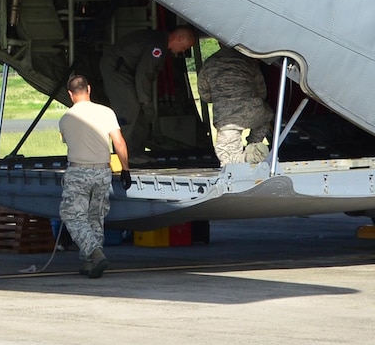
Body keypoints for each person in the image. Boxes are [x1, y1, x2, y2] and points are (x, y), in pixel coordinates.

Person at [58, 74, 131, 278]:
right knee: (95, 217)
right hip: (102, 171)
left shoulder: (66, 118)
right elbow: (119, 142)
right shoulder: (106, 112)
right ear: (89, 89)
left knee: (72, 214)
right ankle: (90, 263)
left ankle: (93, 252)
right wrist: (125, 169)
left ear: (70, 94)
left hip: (78, 170)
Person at [98, 24, 195, 154]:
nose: (182, 51)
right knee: (129, 107)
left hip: (122, 70)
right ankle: (122, 155)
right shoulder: (158, 46)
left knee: (137, 111)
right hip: (117, 70)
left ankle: (134, 151)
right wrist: (146, 102)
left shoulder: (159, 41)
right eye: (184, 47)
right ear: (180, 38)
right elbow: (143, 76)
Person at [199, 46, 273, 165]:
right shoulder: (248, 60)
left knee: (229, 160)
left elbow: (205, 96)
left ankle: (246, 159)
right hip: (254, 112)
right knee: (266, 118)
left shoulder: (209, 63)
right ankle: (253, 147)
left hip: (227, 119)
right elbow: (261, 90)